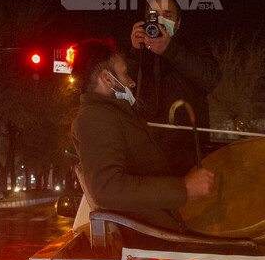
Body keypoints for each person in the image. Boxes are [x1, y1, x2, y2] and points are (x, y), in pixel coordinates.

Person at [69, 38, 214, 238]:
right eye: (124, 73)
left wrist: (203, 161)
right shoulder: (94, 118)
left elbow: (155, 156)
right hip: (153, 235)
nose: (131, 81)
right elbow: (107, 189)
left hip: (164, 220)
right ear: (107, 78)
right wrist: (184, 188)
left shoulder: (117, 114)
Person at [126, 0, 221, 175]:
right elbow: (120, 92)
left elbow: (212, 79)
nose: (161, 20)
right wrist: (134, 53)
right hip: (148, 156)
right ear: (147, 22)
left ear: (178, 22)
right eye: (155, 15)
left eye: (167, 15)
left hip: (188, 157)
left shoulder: (192, 47)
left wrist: (170, 50)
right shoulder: (140, 53)